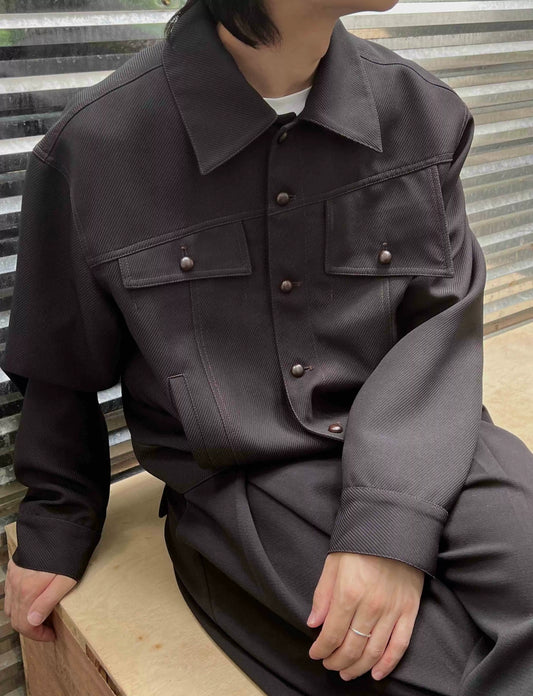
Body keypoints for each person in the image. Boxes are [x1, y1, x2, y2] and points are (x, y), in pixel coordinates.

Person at [2, 1, 533, 694]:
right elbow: (59, 364)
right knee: (425, 671)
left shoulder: (423, 113)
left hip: (429, 440)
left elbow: (441, 328)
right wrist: (57, 523)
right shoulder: (97, 148)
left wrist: (389, 522)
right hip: (244, 483)